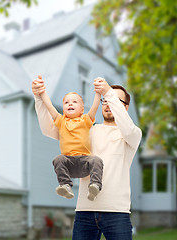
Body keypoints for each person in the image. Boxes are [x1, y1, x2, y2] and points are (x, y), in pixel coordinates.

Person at [32, 77, 142, 240]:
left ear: (124, 108)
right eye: (105, 100)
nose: (108, 103)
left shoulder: (131, 134)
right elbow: (49, 129)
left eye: (115, 100)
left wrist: (108, 92)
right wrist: (38, 98)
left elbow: (127, 127)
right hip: (85, 212)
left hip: (117, 212)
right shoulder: (88, 130)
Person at [35, 75, 103, 201]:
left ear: (82, 109)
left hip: (84, 163)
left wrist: (98, 93)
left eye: (74, 102)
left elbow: (94, 107)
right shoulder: (61, 120)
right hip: (69, 164)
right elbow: (49, 107)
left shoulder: (86, 120)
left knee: (97, 160)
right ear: (64, 108)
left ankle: (95, 186)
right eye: (66, 102)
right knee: (58, 159)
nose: (70, 104)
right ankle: (65, 185)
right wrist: (42, 93)